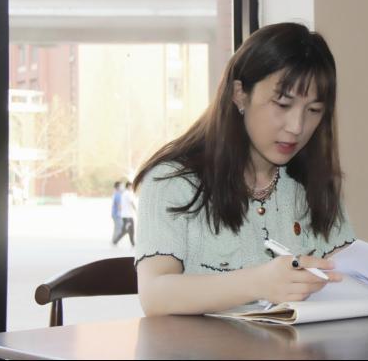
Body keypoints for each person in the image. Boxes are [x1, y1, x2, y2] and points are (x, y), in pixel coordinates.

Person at [133, 22, 356, 316]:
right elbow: (155, 296)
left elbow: (349, 276)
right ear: (240, 94)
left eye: (313, 110)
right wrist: (258, 283)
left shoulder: (311, 184)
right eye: (282, 104)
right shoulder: (171, 182)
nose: (297, 127)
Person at [113, 181, 137, 246]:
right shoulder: (128, 193)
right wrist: (136, 210)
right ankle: (116, 241)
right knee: (128, 230)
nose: (132, 187)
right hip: (127, 216)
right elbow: (132, 203)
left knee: (129, 230)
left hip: (126, 215)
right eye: (131, 186)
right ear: (128, 186)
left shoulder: (124, 193)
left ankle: (132, 243)